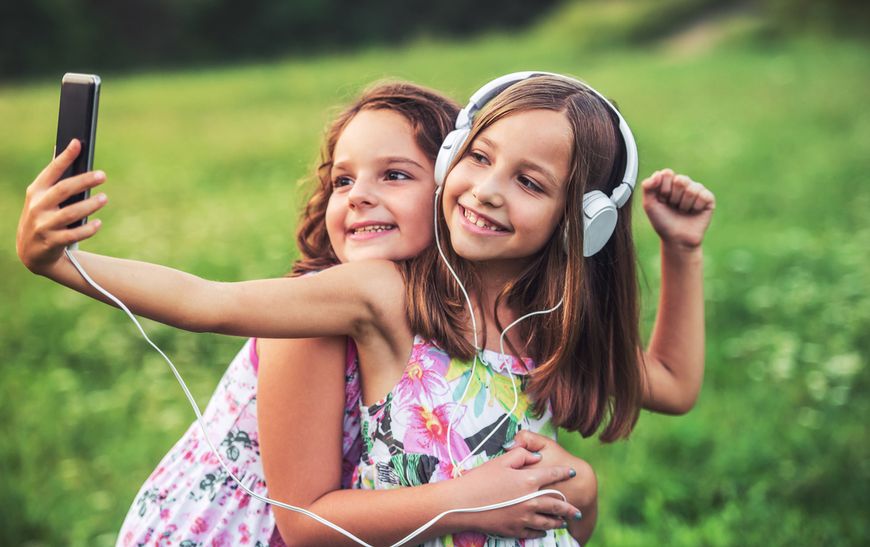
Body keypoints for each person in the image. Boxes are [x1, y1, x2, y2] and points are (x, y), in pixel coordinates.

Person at [17, 72, 715, 545]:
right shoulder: (367, 299)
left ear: (583, 219)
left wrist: (680, 251)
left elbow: (673, 384)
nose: (489, 190)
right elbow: (209, 301)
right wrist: (61, 261)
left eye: (529, 181)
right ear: (454, 160)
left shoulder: (542, 324)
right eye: (479, 158)